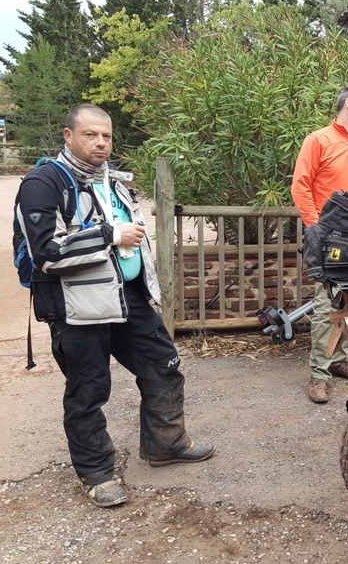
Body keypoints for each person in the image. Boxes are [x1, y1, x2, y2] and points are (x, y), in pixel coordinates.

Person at [16, 104, 214, 507]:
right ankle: (97, 473)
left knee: (164, 366)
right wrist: (110, 234)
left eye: (106, 135)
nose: (101, 142)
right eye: (91, 135)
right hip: (75, 306)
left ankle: (166, 443)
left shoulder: (112, 181)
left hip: (127, 298)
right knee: (89, 388)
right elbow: (45, 254)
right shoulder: (42, 183)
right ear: (68, 136)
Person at [291, 85, 348, 403]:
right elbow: (300, 187)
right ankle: (319, 374)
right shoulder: (318, 140)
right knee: (326, 304)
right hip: (326, 237)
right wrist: (315, 229)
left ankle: (339, 360)